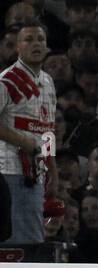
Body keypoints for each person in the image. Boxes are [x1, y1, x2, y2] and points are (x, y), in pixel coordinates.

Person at [0, 22, 56, 246]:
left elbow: (47, 129)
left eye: (40, 39)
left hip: (37, 171)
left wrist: (52, 168)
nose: (36, 44)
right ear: (18, 48)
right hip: (8, 170)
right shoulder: (6, 81)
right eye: (29, 40)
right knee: (23, 240)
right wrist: (23, 141)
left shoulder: (48, 82)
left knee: (31, 235)